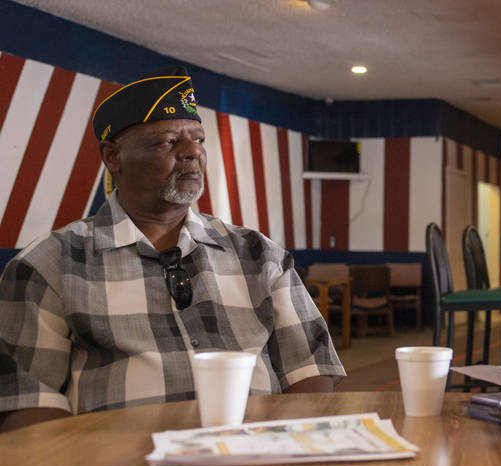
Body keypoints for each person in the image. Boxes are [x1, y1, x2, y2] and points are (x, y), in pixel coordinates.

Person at [0, 67, 345, 432]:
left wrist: (287, 453)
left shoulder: (258, 255)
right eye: (167, 141)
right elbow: (27, 403)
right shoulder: (50, 264)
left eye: (198, 139)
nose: (192, 152)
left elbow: (309, 368)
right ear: (113, 157)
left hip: (257, 464)